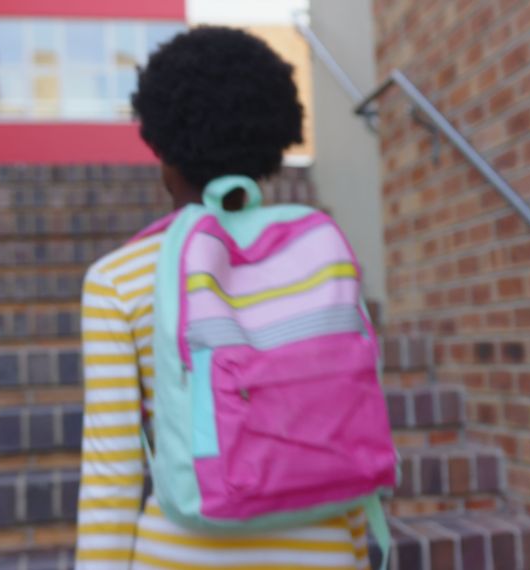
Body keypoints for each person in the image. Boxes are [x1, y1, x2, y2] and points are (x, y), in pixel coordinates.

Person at [75, 26, 371, 570]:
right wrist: (352, 552)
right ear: (274, 143)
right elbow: (340, 424)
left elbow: (111, 473)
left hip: (180, 554)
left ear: (160, 144)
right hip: (321, 550)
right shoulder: (319, 256)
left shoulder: (118, 279)